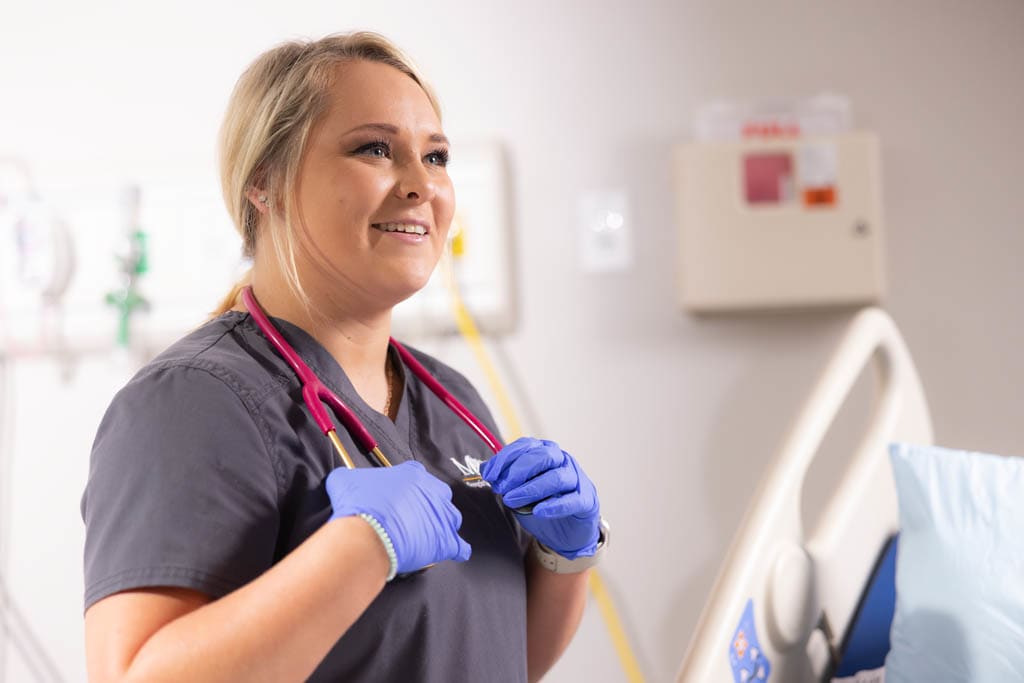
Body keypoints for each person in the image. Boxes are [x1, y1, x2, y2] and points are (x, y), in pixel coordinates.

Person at [81, 32, 608, 682]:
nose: (422, 185)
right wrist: (358, 549)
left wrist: (562, 559)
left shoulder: (450, 398)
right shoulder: (194, 401)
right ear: (265, 182)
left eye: (436, 156)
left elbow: (493, 654)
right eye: (375, 148)